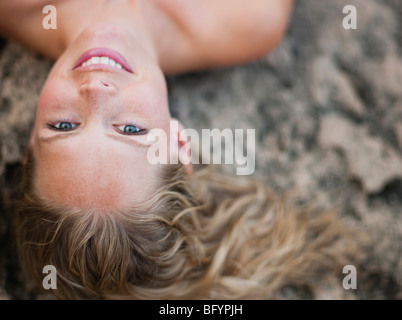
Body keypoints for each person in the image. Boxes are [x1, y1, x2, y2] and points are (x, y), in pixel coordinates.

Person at [0, 0, 360, 299]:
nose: (95, 90)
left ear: (30, 143)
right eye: (130, 129)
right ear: (178, 142)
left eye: (63, 126)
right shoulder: (248, 19)